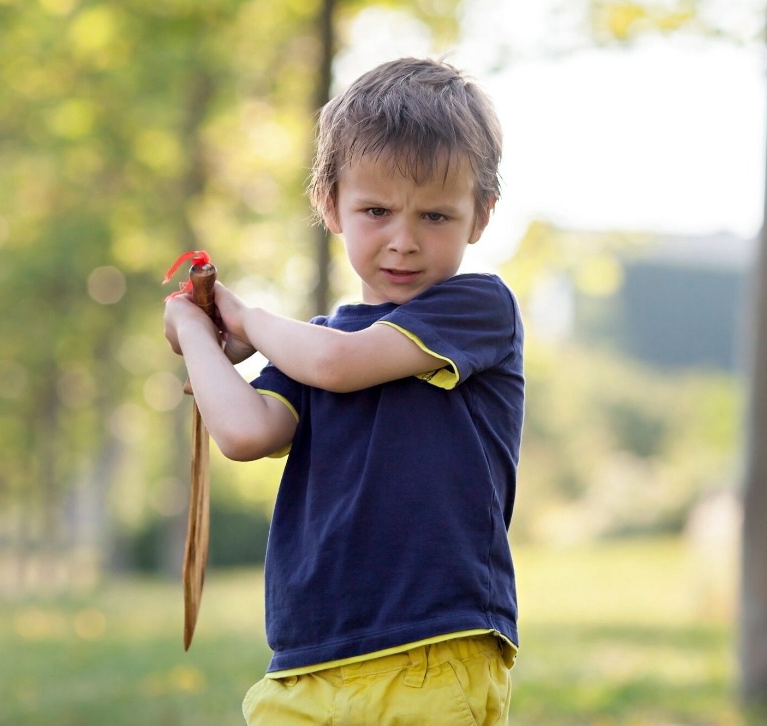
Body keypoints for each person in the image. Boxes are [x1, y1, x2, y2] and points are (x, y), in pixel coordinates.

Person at [164, 57, 524, 726]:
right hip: (307, 661)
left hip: (429, 651)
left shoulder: (477, 309)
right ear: (330, 204)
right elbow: (244, 432)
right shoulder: (312, 344)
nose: (404, 241)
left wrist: (243, 320)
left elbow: (336, 363)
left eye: (437, 216)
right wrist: (194, 330)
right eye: (377, 210)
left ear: (481, 215)